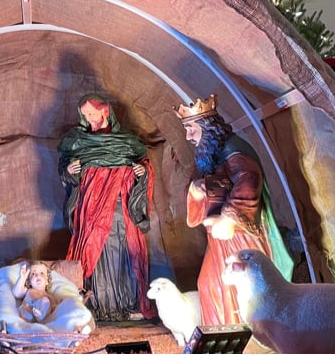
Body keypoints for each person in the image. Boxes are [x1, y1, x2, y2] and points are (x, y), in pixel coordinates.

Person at [178, 94, 294, 326]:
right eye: (187, 129)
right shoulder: (206, 154)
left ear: (207, 127)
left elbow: (248, 179)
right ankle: (224, 335)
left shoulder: (233, 148)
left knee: (245, 288)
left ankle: (253, 339)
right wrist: (196, 190)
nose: (189, 136)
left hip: (241, 236)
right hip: (219, 240)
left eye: (192, 128)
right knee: (210, 285)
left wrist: (228, 218)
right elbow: (195, 183)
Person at [57, 93, 157, 322]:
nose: (89, 119)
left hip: (122, 205)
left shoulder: (128, 141)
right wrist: (70, 172)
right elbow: (66, 171)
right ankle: (100, 304)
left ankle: (128, 303)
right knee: (96, 250)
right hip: (92, 206)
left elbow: (142, 165)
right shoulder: (77, 141)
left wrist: (142, 173)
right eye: (85, 115)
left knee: (125, 249)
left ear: (105, 111)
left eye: (92, 113)